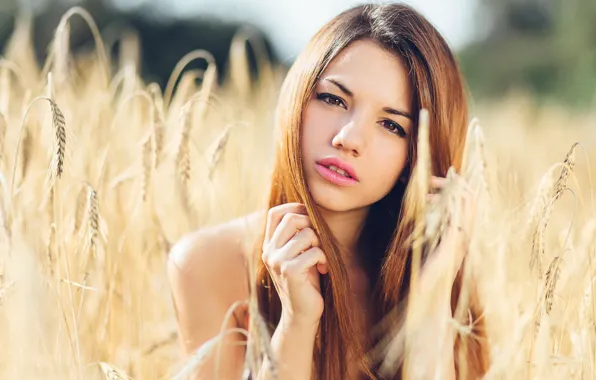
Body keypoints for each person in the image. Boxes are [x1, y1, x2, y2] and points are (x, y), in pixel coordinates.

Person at [168, 3, 490, 379]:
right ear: (298, 99)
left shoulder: (433, 272)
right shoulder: (207, 264)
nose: (349, 139)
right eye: (333, 99)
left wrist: (431, 303)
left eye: (391, 125)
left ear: (416, 158)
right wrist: (297, 322)